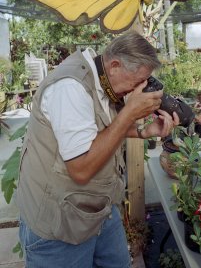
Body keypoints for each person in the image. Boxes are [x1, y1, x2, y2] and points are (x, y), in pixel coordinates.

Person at [17, 30, 179, 268]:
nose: (138, 91)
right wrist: (129, 113)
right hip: (60, 225)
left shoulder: (105, 80)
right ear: (114, 65)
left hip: (100, 209)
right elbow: (81, 169)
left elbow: (99, 134)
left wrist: (144, 131)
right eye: (136, 83)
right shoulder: (70, 88)